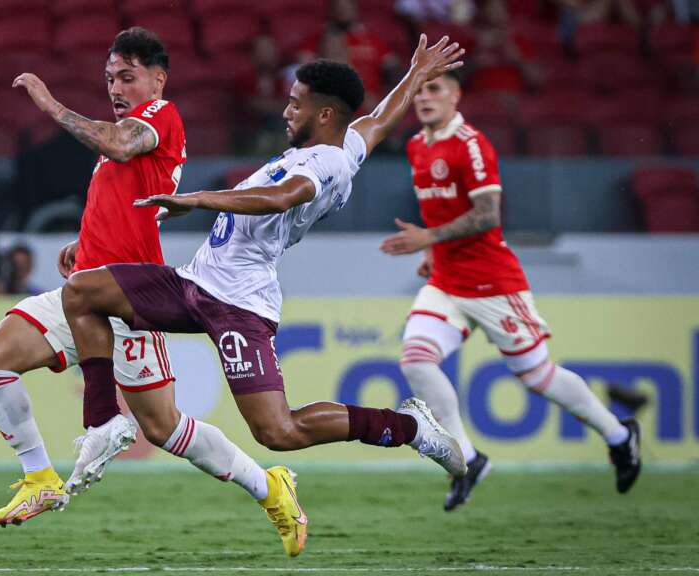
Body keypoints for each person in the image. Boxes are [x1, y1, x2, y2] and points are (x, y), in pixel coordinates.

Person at [61, 36, 468, 557]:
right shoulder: (338, 144)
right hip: (194, 284)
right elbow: (377, 122)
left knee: (279, 432)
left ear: (323, 113)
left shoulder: (325, 166)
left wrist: (198, 200)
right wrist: (414, 74)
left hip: (239, 305)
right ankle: (102, 422)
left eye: (295, 102)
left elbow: (280, 196)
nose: (285, 109)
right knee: (83, 290)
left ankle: (409, 427)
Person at [0, 30, 274, 545]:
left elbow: (117, 142)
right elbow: (124, 203)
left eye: (127, 76)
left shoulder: (161, 115)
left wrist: (50, 105)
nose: (116, 87)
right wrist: (83, 241)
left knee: (166, 429)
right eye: (110, 78)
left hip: (132, 297)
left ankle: (268, 487)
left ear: (158, 79)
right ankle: (40, 478)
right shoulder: (122, 135)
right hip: (86, 289)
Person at [378, 72, 642, 512]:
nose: (424, 98)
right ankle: (469, 456)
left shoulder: (471, 144)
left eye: (435, 89)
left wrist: (427, 237)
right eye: (420, 90)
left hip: (492, 282)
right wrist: (434, 249)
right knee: (416, 360)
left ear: (456, 96)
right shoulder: (416, 146)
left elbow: (486, 214)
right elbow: (447, 212)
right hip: (446, 280)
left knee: (538, 376)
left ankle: (619, 435)